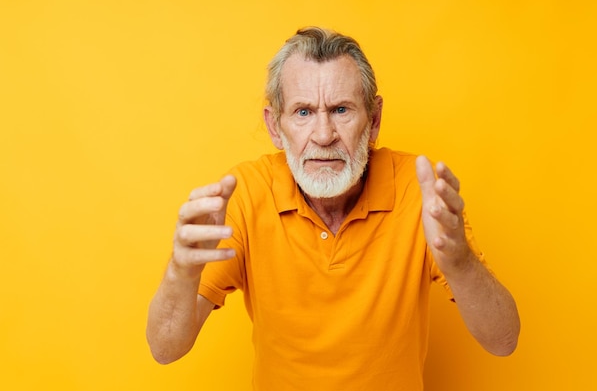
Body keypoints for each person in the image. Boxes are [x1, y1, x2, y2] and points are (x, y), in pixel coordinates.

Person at [147, 27, 520, 391]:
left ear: (373, 121)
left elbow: (503, 340)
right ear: (275, 127)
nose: (324, 135)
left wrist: (460, 261)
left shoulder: (418, 191)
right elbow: (165, 349)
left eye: (341, 109)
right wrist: (182, 271)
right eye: (304, 112)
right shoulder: (246, 194)